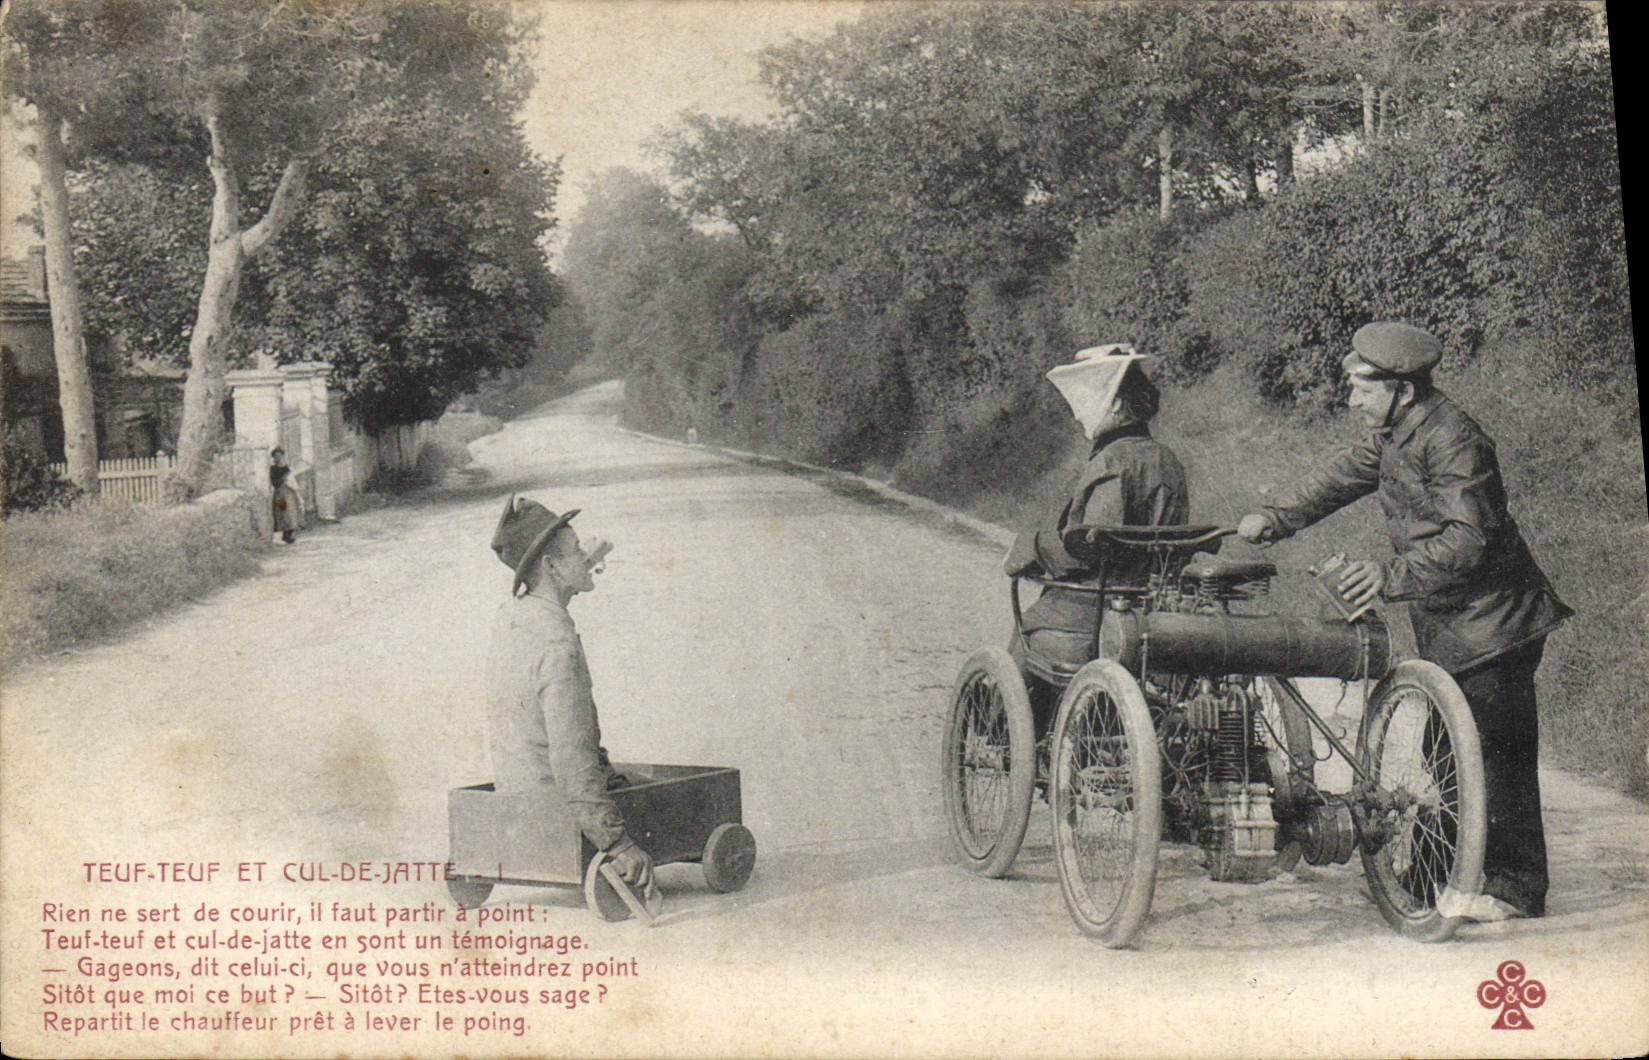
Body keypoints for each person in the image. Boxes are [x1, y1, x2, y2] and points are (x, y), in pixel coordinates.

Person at [1237, 321, 1571, 921]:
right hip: (1455, 622)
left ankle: (1516, 888)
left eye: (1362, 388)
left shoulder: (1456, 441)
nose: (1351, 400)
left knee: (1495, 755)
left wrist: (1387, 577)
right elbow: (1342, 476)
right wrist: (1276, 518)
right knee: (1445, 750)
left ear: (1404, 390)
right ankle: (1429, 878)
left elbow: (1472, 539)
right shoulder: (1397, 432)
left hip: (1495, 623)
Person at [1004, 344, 1189, 732]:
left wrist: (1033, 547)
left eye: (1089, 401)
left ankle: (1011, 736)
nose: (1078, 413)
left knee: (1025, 634)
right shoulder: (1167, 459)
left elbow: (1093, 546)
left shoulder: (1110, 462)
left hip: (1101, 608)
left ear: (1118, 405)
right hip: (1153, 606)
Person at [485, 495, 652, 892]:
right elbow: (571, 754)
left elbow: (552, 583)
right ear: (552, 566)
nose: (589, 557)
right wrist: (617, 842)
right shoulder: (558, 644)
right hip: (556, 802)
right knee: (658, 790)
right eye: (578, 551)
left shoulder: (516, 615)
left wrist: (576, 572)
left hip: (516, 788)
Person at [269, 448, 303, 544]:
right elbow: (274, 483)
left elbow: (292, 480)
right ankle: (285, 534)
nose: (278, 458)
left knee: (291, 513)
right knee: (283, 513)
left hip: (289, 493)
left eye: (280, 456)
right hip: (280, 494)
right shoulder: (273, 469)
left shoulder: (286, 467)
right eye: (276, 456)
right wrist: (283, 479)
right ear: (274, 458)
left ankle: (290, 534)